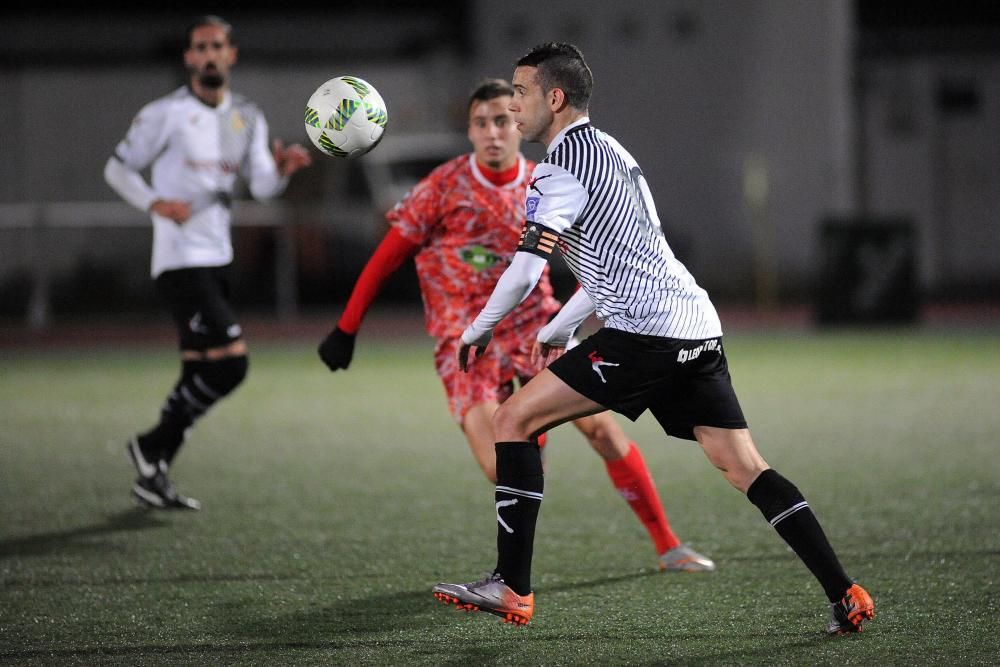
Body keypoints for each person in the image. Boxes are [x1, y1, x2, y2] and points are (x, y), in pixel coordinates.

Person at [432, 43, 875, 634]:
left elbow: (525, 268)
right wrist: (560, 326)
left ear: (554, 98)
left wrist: (479, 326)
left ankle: (511, 588)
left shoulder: (558, 170)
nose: (513, 107)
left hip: (645, 337)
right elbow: (633, 254)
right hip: (697, 328)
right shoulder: (612, 152)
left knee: (511, 420)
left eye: (522, 92)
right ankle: (846, 593)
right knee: (743, 464)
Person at [318, 78, 714, 573]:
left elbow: (596, 261)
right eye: (481, 123)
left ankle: (668, 544)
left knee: (604, 433)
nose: (493, 132)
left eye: (503, 120)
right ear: (469, 130)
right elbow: (386, 258)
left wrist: (568, 322)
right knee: (497, 464)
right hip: (463, 341)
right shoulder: (442, 188)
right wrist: (347, 327)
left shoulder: (544, 182)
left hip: (534, 330)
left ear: (518, 122)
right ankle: (532, 452)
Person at [104, 15, 312, 510]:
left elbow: (260, 187)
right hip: (179, 257)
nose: (210, 54)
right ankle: (151, 444)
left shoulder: (246, 117)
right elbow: (118, 168)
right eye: (201, 47)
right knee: (231, 366)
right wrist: (155, 203)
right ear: (189, 58)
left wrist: (280, 172)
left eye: (218, 45)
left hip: (219, 256)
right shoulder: (166, 113)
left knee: (196, 369)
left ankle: (153, 469)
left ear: (231, 54)